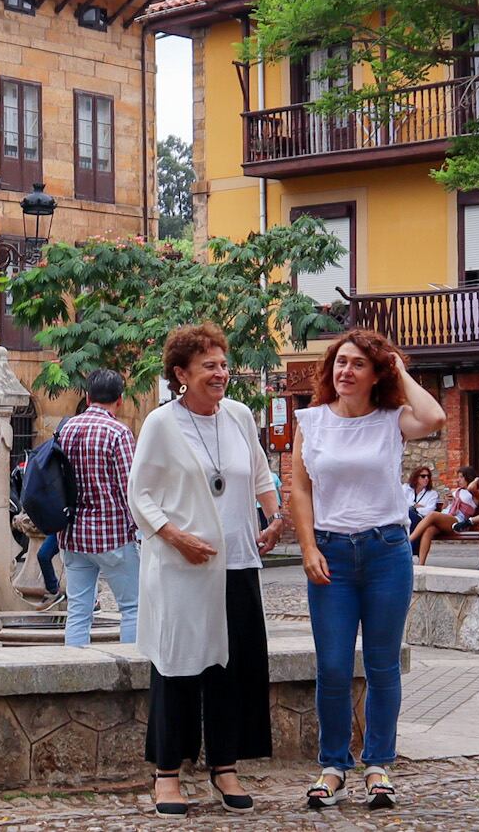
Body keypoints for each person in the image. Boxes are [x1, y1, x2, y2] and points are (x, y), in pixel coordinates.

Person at [129, 325, 282, 816]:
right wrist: (173, 536)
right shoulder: (161, 423)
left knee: (232, 668)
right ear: (181, 374)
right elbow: (140, 494)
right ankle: (167, 774)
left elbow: (259, 473)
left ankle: (225, 766)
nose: (221, 373)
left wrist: (275, 518)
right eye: (209, 366)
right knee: (177, 666)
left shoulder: (238, 416)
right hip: (182, 567)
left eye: (223, 364)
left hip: (237, 562)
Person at [291, 327, 445, 811]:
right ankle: (333, 766)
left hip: (386, 552)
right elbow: (301, 490)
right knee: (333, 666)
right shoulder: (310, 422)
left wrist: (398, 366)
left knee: (382, 666)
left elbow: (436, 416)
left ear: (376, 373)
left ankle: (378, 765)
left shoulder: (392, 419)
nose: (345, 371)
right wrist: (308, 547)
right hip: (331, 554)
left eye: (358, 363)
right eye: (340, 362)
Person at [58, 368, 141, 650]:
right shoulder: (118, 432)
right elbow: (131, 487)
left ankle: (73, 672)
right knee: (132, 607)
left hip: (72, 535)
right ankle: (134, 668)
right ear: (120, 399)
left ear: (88, 396)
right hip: (112, 536)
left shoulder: (66, 428)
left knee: (79, 611)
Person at [9, 455, 65, 609]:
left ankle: (92, 601)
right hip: (61, 525)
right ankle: (54, 591)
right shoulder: (51, 478)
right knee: (43, 555)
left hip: (73, 527)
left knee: (81, 564)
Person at [408, 465, 478, 565]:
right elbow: (445, 509)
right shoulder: (457, 491)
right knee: (428, 530)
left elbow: (472, 487)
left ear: (468, 478)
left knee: (432, 514)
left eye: (461, 477)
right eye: (458, 477)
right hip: (447, 518)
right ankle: (421, 564)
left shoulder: (475, 494)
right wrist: (447, 502)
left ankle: (409, 540)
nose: (458, 480)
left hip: (459, 522)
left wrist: (476, 479)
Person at [404, 466, 439, 538]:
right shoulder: (406, 488)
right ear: (416, 477)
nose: (426, 478)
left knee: (411, 515)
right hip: (406, 517)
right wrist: (414, 506)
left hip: (422, 520)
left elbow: (429, 511)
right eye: (423, 476)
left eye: (428, 476)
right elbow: (401, 503)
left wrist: (414, 509)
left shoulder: (432, 494)